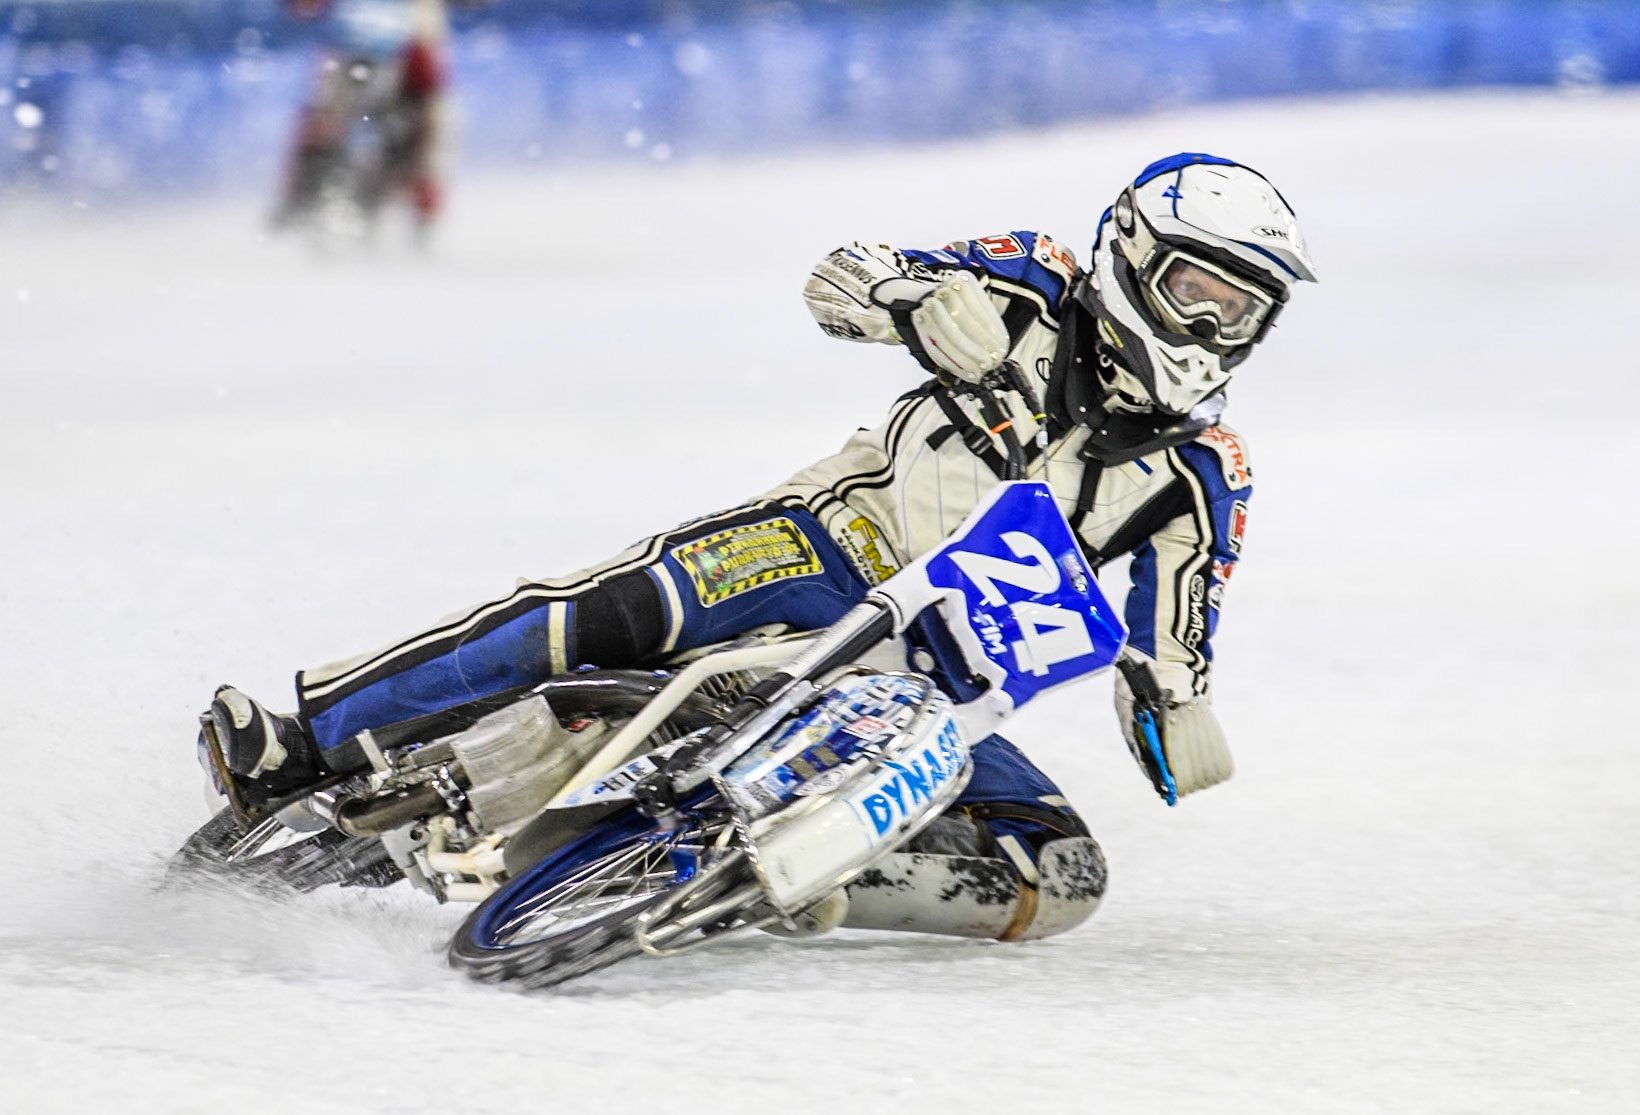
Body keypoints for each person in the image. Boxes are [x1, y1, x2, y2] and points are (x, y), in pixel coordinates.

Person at [203, 152, 1316, 940]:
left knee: (1059, 873)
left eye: (1240, 310)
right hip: (823, 545)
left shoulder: (1206, 470)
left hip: (938, 687)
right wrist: (914, 299)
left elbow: (1178, 628)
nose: (1209, 329)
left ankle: (791, 877)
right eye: (1194, 290)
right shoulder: (1034, 280)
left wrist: (1172, 702)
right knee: (594, 610)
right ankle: (301, 746)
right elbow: (843, 275)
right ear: (1129, 252)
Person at [270, 0, 450, 233]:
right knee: (322, 123)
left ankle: (423, 210)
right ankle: (300, 201)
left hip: (403, 52)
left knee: (427, 126)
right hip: (351, 50)